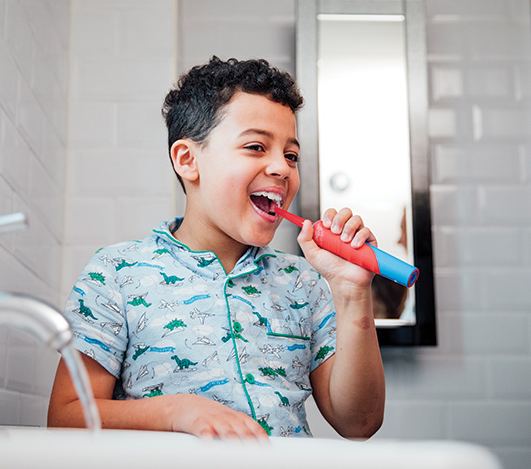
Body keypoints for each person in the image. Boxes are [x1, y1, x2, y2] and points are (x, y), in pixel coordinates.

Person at [47, 57, 385, 439]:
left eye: (291, 155)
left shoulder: (303, 282)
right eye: (257, 147)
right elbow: (67, 415)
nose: (282, 168)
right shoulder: (116, 272)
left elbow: (359, 423)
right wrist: (177, 410)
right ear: (188, 161)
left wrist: (353, 293)